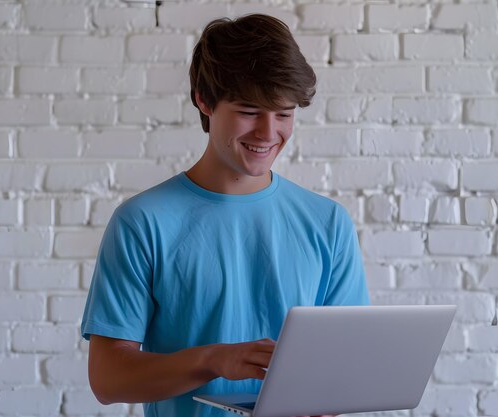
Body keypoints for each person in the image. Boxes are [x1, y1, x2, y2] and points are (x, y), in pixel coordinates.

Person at [81, 13, 370, 417]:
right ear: (204, 99)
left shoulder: (329, 224)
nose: (269, 133)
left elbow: (347, 371)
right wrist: (214, 360)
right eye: (250, 111)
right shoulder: (142, 223)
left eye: (284, 114)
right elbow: (108, 379)